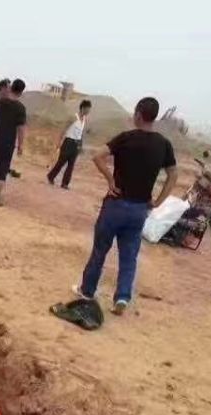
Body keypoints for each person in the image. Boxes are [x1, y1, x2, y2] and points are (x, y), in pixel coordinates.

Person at [74, 97, 178, 315]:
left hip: (116, 204)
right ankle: (122, 297)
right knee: (129, 256)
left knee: (100, 251)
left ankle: (87, 291)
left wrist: (110, 180)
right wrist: (158, 202)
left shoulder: (125, 138)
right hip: (140, 209)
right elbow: (173, 175)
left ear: (138, 114)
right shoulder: (163, 144)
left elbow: (97, 156)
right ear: (154, 117)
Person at [47, 99, 92, 188]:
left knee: (71, 164)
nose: (88, 112)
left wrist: (80, 145)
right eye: (87, 110)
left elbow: (81, 133)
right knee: (61, 162)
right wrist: (59, 142)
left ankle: (65, 183)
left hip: (76, 144)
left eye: (89, 110)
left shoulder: (84, 120)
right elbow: (63, 129)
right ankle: (51, 176)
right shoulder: (73, 117)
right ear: (83, 108)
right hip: (68, 142)